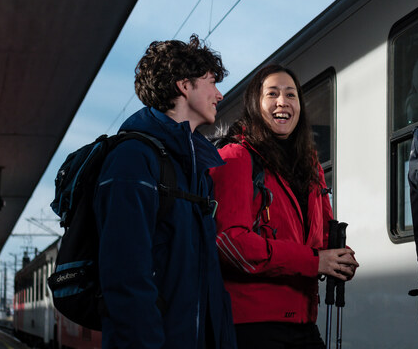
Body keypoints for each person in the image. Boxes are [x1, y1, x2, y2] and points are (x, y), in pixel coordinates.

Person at [94, 34, 237, 348]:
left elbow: (208, 280)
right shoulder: (133, 159)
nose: (219, 94)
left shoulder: (195, 170)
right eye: (211, 82)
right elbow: (126, 279)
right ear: (184, 86)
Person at [210, 64, 359, 349]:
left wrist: (340, 257)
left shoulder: (310, 167)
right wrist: (315, 261)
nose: (283, 101)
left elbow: (321, 236)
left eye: (291, 95)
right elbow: (229, 242)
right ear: (255, 103)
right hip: (253, 327)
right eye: (272, 94)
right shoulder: (236, 157)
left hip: (302, 321)